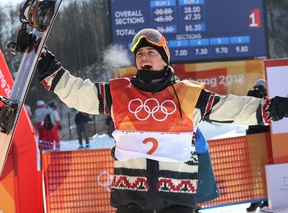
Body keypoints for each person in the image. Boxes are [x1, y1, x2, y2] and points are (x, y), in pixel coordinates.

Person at [36, 28, 288, 213]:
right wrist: (49, 68)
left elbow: (233, 108)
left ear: (164, 58)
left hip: (178, 202)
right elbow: (80, 94)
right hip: (131, 201)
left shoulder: (189, 95)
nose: (144, 57)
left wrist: (274, 108)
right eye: (140, 53)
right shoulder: (119, 93)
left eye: (151, 53)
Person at [245, 79, 270, 212]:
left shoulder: (270, 97)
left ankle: (266, 200)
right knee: (253, 173)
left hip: (266, 138)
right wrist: (254, 95)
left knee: (266, 171)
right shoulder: (251, 96)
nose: (257, 90)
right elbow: (245, 109)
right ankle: (255, 200)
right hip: (253, 138)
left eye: (259, 88)